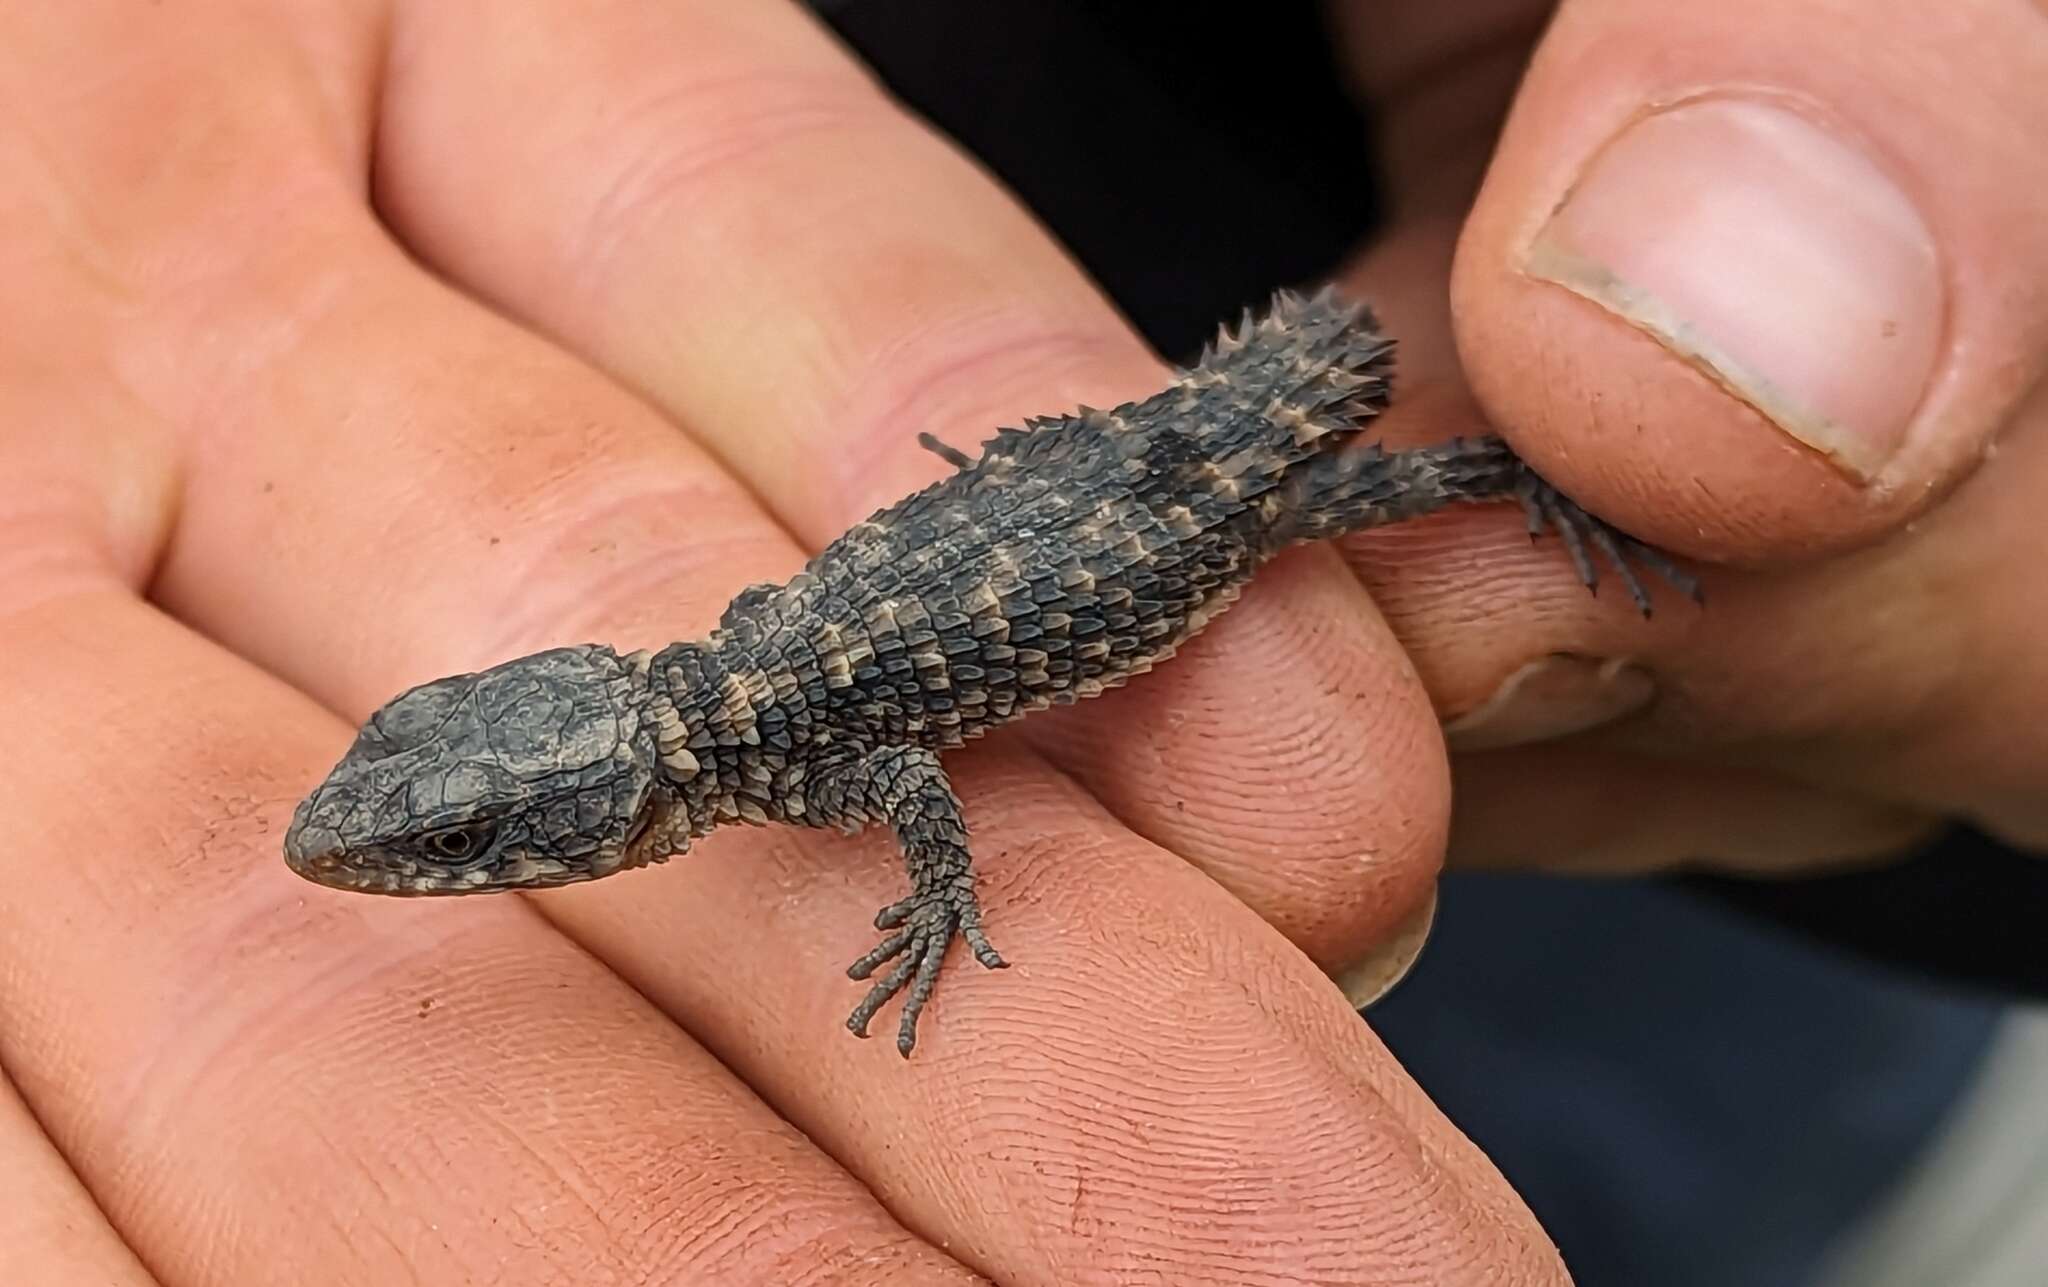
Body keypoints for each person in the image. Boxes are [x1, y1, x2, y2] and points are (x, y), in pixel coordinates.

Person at [0, 1, 2039, 1282]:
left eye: (470, 840)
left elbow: (908, 776)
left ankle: (1545, 465)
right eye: (464, 834)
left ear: (595, 804)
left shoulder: (792, 745)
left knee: (1384, 512)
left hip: (1226, 479)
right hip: (1128, 428)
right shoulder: (735, 673)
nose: (459, 861)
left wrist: (939, 895)